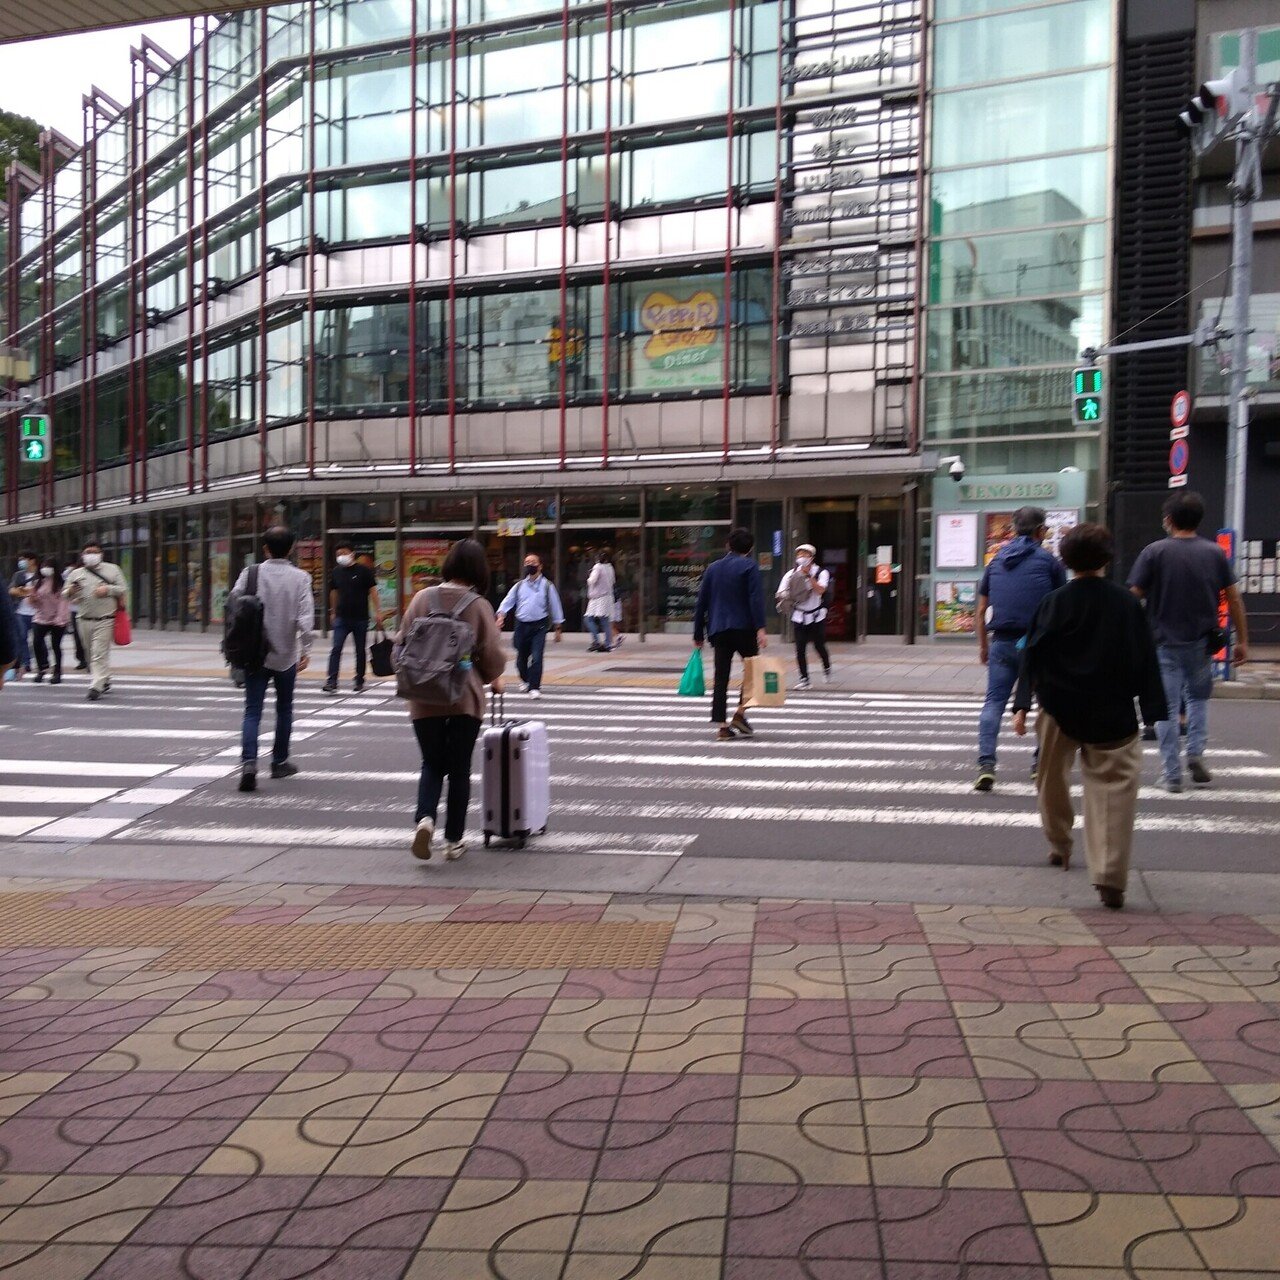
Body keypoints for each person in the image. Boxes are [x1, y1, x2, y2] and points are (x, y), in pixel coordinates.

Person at [1012, 524, 1167, 911]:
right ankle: (1110, 878)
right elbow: (1146, 658)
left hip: (1060, 707)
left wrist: (1022, 703)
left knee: (1050, 779)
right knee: (1113, 791)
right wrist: (1153, 712)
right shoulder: (1127, 604)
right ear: (1108, 558)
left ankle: (1060, 844)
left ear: (1064, 561)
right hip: (1112, 711)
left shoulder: (1054, 602)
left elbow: (1032, 654)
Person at [1127, 491, 1249, 793]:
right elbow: (1233, 598)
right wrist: (1243, 641)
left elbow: (1133, 597)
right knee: (1197, 699)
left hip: (1163, 643)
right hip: (1202, 643)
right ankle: (1195, 752)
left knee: (1166, 709)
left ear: (1168, 520)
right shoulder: (1214, 553)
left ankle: (1171, 774)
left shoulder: (1154, 552)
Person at [396, 538, 506, 863]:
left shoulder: (421, 598)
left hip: (423, 696)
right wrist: (493, 679)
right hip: (463, 698)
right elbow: (490, 654)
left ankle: (425, 819)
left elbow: (400, 646)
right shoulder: (479, 605)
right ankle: (454, 841)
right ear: (478, 569)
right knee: (458, 770)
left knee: (431, 763)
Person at [974, 506, 1066, 792]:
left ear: (1014, 530)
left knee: (994, 702)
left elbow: (979, 611)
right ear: (1041, 531)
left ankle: (986, 764)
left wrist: (983, 646)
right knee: (1047, 704)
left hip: (1001, 641)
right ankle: (1039, 765)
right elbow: (1060, 608)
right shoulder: (1051, 562)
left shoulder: (996, 561)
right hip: (1038, 645)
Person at [227, 525, 315, 793]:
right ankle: (279, 761)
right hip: (285, 655)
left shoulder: (250, 573)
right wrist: (306, 650)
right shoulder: (301, 578)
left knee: (252, 710)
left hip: (255, 654)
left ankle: (249, 763)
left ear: (265, 548)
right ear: (291, 549)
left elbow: (233, 601)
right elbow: (306, 620)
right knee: (284, 708)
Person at [693, 527, 768, 741]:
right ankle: (740, 713)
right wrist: (760, 628)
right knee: (752, 674)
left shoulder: (713, 568)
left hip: (719, 629)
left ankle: (723, 727)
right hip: (744, 629)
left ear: (728, 545)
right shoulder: (750, 566)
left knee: (721, 678)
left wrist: (698, 633)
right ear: (751, 548)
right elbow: (755, 600)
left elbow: (702, 602)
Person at [62, 542, 128, 702]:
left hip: (105, 619)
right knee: (89, 654)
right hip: (83, 619)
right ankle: (104, 678)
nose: (91, 554)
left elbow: (123, 588)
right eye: (87, 552)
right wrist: (71, 591)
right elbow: (64, 594)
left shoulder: (112, 569)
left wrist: (108, 590)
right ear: (83, 555)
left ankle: (96, 686)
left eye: (94, 552)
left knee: (99, 653)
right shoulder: (76, 573)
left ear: (101, 554)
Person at [495, 554, 564, 699]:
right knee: (521, 658)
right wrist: (501, 615)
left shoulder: (547, 586)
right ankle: (526, 680)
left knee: (537, 657)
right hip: (521, 625)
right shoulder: (519, 585)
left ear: (540, 566)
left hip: (539, 626)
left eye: (533, 562)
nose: (529, 565)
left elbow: (555, 606)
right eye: (527, 562)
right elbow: (508, 601)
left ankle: (534, 687)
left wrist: (558, 628)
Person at [323, 543, 383, 694]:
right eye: (338, 554)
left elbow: (373, 591)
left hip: (360, 617)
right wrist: (332, 611)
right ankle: (332, 681)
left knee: (360, 650)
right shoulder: (336, 571)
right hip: (341, 617)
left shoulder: (364, 571)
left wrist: (378, 611)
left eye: (343, 553)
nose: (340, 557)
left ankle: (359, 680)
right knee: (336, 648)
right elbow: (333, 592)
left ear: (352, 553)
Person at [776, 542, 831, 690]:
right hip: (799, 616)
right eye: (799, 554)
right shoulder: (791, 573)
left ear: (812, 557)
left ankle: (826, 666)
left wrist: (809, 577)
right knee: (800, 648)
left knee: (819, 645)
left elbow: (820, 591)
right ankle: (804, 678)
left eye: (805, 555)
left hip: (816, 616)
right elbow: (781, 592)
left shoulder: (821, 572)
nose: (802, 557)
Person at [30, 556, 71, 684]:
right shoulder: (39, 582)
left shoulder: (61, 583)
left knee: (55, 645)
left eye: (48, 566)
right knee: (36, 642)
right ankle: (42, 668)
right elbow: (35, 602)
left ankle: (57, 672)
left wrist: (59, 618)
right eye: (43, 566)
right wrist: (33, 599)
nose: (45, 569)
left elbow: (63, 602)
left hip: (57, 618)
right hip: (41, 617)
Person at [584, 548, 622, 653]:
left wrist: (589, 575)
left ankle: (596, 641)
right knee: (605, 620)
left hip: (597, 598)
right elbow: (613, 581)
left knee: (588, 619)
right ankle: (608, 643)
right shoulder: (610, 567)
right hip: (608, 597)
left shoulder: (597, 567)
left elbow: (592, 581)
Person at [8, 551, 38, 678]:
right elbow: (11, 590)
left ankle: (43, 663)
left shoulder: (40, 574)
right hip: (21, 611)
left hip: (38, 612)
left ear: (32, 560)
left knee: (38, 640)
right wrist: (23, 591)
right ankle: (26, 663)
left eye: (24, 559)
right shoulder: (18, 575)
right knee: (22, 638)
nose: (21, 562)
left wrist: (30, 591)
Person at [65, 553, 89, 671]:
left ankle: (91, 660)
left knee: (90, 637)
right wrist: (72, 596)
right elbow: (66, 592)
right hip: (76, 610)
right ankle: (82, 659)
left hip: (91, 609)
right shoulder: (74, 574)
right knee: (78, 636)